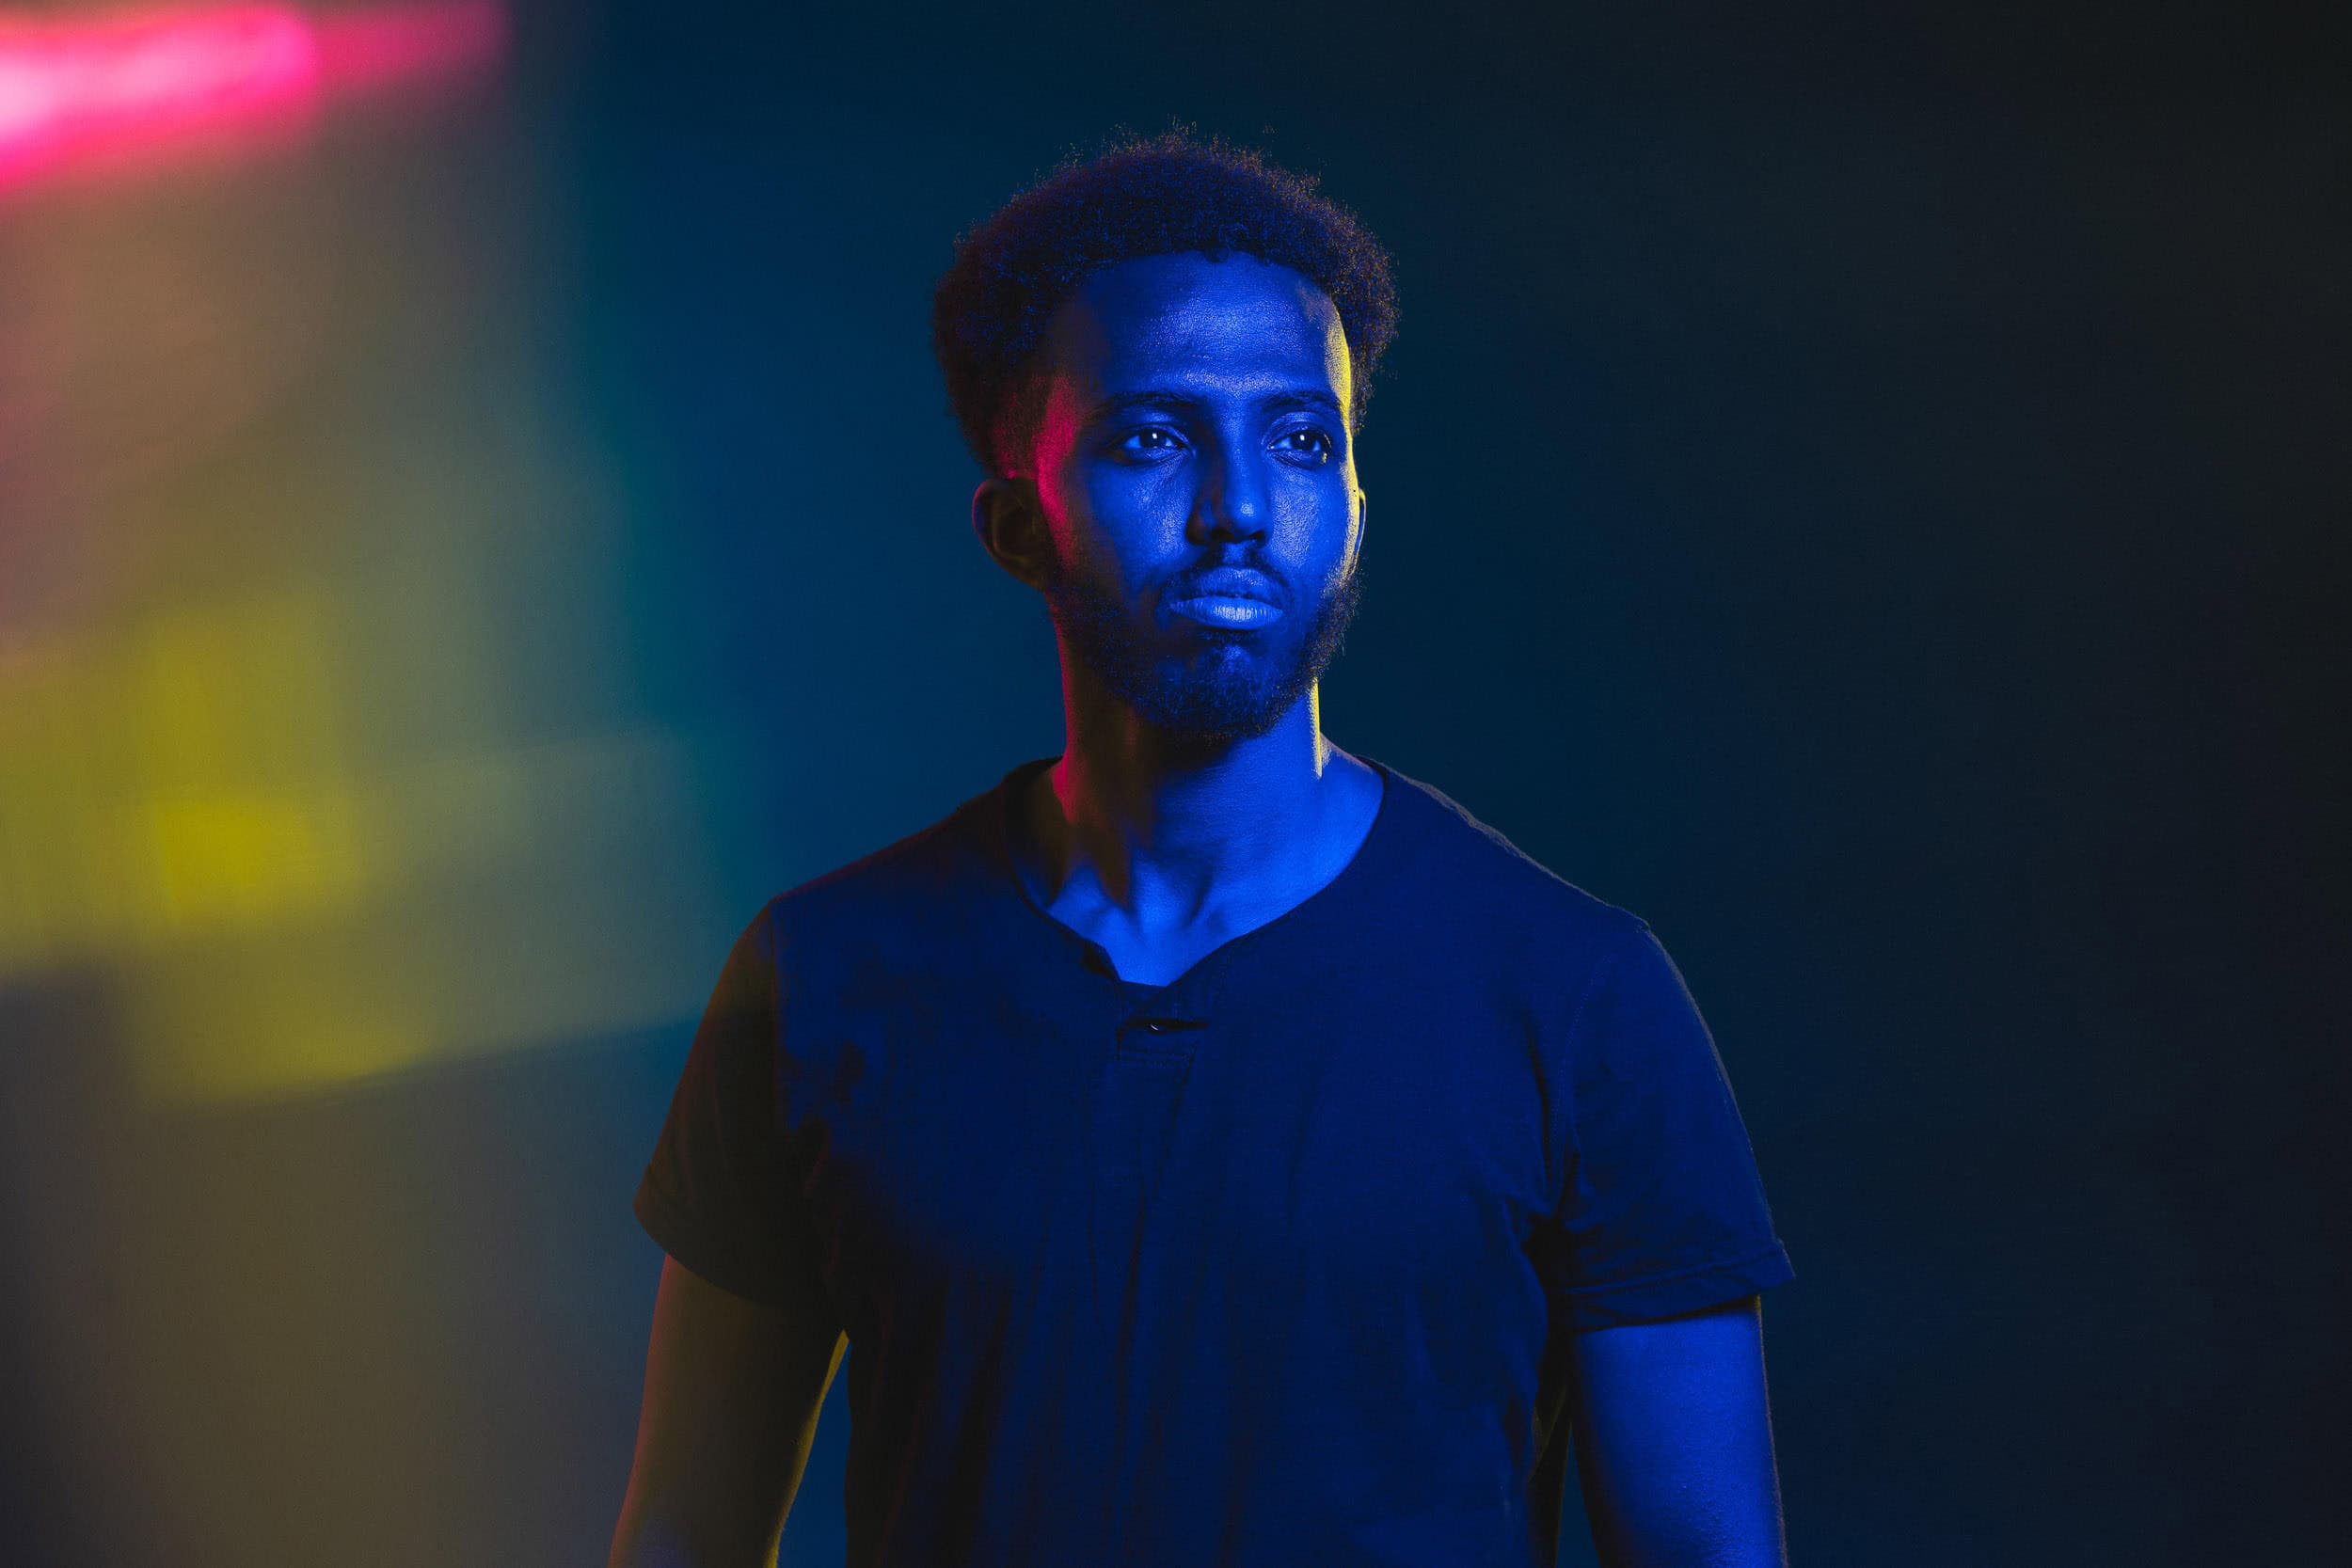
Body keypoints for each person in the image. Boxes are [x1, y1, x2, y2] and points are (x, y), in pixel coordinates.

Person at [608, 129, 1794, 1568]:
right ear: (1017, 526)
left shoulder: (1575, 996)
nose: (1238, 509)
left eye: (1302, 440)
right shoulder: (819, 977)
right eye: (1152, 438)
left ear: (1353, 508)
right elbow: (683, 1538)